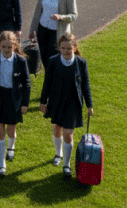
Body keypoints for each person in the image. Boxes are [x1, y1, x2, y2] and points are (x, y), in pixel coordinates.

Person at [39, 34, 93, 179]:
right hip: (56, 102)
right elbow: (47, 83)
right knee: (57, 129)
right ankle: (58, 154)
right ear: (59, 48)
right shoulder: (53, 61)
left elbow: (86, 85)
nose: (66, 51)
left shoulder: (81, 62)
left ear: (75, 48)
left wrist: (89, 105)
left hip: (73, 103)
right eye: (63, 48)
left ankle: (66, 165)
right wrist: (43, 101)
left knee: (68, 134)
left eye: (69, 48)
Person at [0, 31, 30, 177]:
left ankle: (11, 146)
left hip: (13, 97)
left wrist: (24, 103)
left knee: (11, 130)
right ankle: (2, 163)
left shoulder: (21, 61)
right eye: (4, 47)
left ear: (15, 46)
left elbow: (26, 83)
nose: (7, 50)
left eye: (9, 47)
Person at [28, 0, 78, 71]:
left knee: (52, 59)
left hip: (56, 33)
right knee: (43, 58)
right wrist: (32, 29)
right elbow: (38, 10)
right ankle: (50, 79)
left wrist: (60, 17)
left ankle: (53, 79)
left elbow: (74, 16)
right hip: (42, 29)